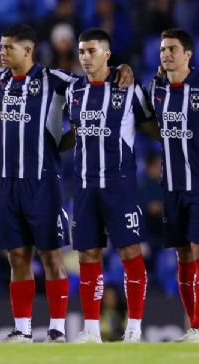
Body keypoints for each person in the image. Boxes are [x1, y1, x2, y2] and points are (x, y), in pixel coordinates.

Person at [63, 28, 153, 343]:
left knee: (130, 252)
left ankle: (134, 328)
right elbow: (72, 132)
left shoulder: (129, 88)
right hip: (85, 187)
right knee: (88, 255)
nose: (85, 57)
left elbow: (150, 122)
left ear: (107, 54)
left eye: (92, 51)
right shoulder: (74, 90)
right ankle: (90, 330)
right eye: (82, 51)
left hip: (120, 185)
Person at [0, 25, 79, 343]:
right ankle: (23, 328)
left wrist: (122, 69)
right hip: (9, 183)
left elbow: (94, 85)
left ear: (28, 50)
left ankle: (57, 328)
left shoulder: (54, 80)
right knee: (17, 256)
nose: (2, 53)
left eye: (8, 48)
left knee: (51, 256)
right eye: (1, 47)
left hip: (44, 182)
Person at [148, 29, 199, 342]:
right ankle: (194, 328)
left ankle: (198, 325)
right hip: (172, 184)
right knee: (182, 254)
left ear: (188, 54)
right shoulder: (156, 88)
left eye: (172, 49)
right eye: (163, 49)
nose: (166, 54)